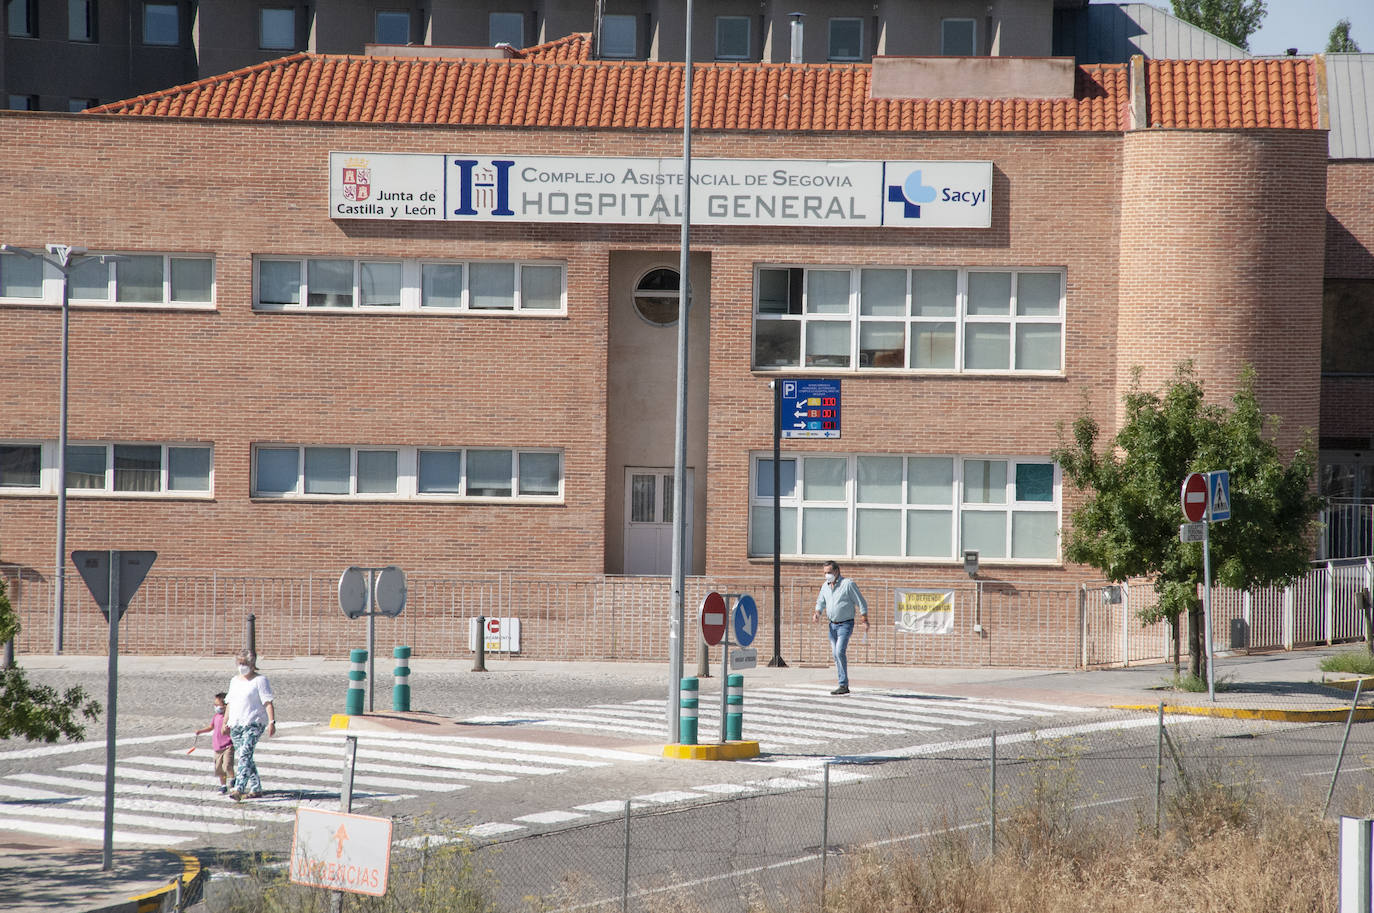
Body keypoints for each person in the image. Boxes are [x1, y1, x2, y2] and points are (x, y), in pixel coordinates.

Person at [223, 651, 275, 800]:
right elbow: (230, 703)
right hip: (236, 724)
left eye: (245, 664)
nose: (242, 667)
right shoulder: (234, 681)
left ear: (252, 664)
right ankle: (256, 787)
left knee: (245, 754)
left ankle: (239, 788)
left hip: (254, 722)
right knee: (245, 756)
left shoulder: (260, 680)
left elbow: (268, 702)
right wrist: (225, 721)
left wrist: (272, 721)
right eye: (239, 663)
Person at [811, 560, 869, 694]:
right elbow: (821, 602)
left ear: (837, 571)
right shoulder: (825, 586)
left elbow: (861, 602)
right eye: (825, 573)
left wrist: (864, 619)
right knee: (835, 654)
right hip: (832, 625)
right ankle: (842, 683)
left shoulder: (848, 584)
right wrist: (817, 613)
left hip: (845, 624)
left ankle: (843, 685)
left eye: (829, 572)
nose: (827, 575)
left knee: (839, 652)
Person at [194, 692, 235, 794]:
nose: (215, 707)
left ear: (226, 705)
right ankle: (223, 785)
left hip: (228, 745)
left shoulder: (229, 717)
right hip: (217, 746)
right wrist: (201, 731)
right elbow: (211, 727)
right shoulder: (216, 716)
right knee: (219, 769)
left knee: (227, 765)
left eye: (217, 705)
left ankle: (234, 779)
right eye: (214, 705)